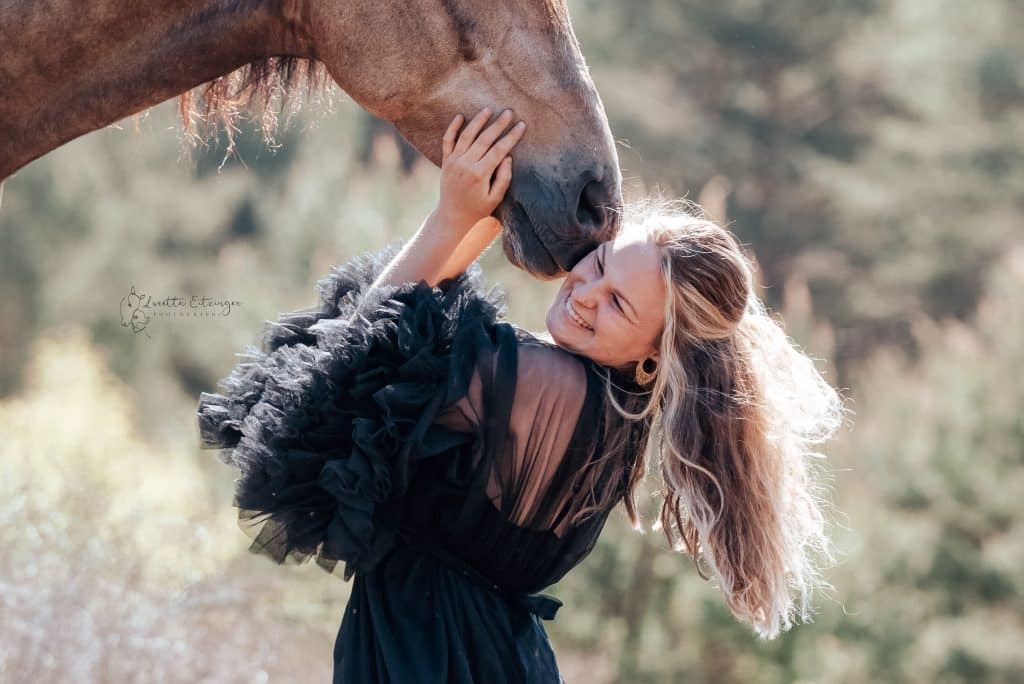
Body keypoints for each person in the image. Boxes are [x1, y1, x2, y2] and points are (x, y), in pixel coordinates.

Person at [197, 107, 845, 682]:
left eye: (617, 303)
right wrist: (490, 209)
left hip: (432, 655)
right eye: (597, 265)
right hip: (481, 652)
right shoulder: (608, 411)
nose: (585, 293)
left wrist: (455, 216)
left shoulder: (543, 386)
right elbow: (393, 331)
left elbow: (344, 366)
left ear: (653, 358)